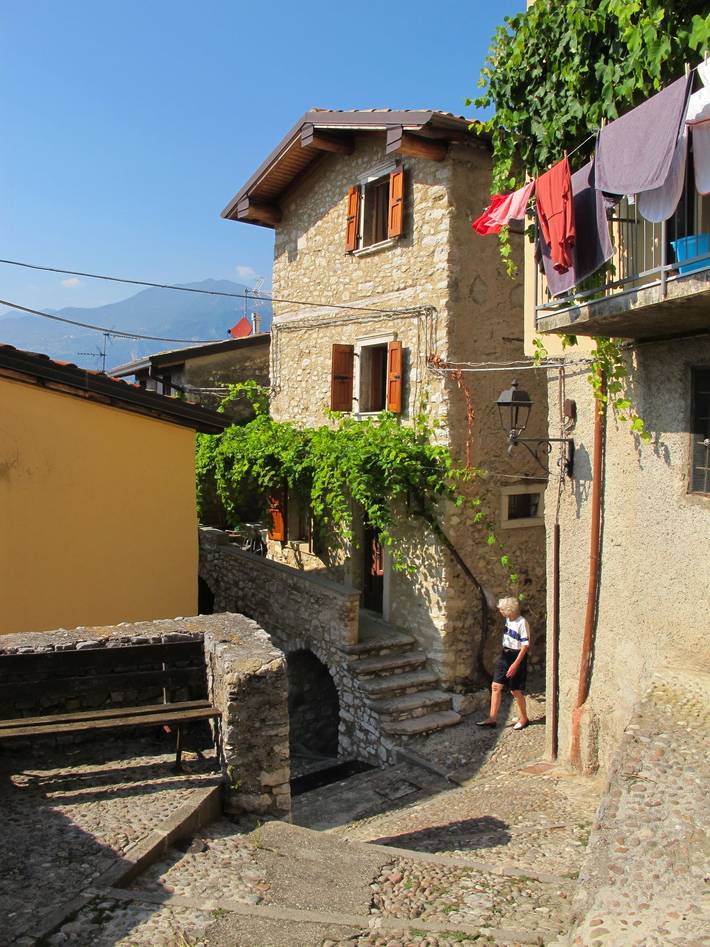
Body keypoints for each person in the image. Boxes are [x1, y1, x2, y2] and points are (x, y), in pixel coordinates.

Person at [476, 596, 530, 730]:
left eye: (502, 609)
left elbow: (525, 645)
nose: (500, 612)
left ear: (509, 610)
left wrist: (515, 664)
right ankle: (492, 718)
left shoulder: (522, 623)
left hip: (517, 656)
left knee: (515, 691)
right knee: (495, 686)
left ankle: (524, 718)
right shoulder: (508, 620)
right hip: (505, 655)